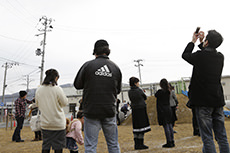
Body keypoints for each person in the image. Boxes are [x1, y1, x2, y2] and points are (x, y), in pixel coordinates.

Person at [182, 29, 230, 153]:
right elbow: (206, 56)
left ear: (207, 42)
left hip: (203, 101)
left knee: (207, 137)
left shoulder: (200, 56)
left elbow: (185, 55)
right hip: (217, 100)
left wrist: (193, 41)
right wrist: (203, 42)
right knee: (221, 136)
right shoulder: (220, 57)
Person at [74, 39, 122, 153]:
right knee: (113, 144)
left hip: (91, 111)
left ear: (95, 51)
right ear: (108, 51)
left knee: (90, 146)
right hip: (109, 110)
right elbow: (118, 90)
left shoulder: (88, 65)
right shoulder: (115, 68)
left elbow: (77, 85)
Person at [35, 69, 68, 153]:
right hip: (58, 123)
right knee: (58, 147)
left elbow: (37, 104)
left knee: (46, 146)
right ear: (56, 78)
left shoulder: (39, 89)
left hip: (45, 123)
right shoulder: (57, 89)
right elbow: (64, 103)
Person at [128, 77, 151, 150]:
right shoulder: (139, 90)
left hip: (134, 110)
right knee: (142, 127)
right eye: (138, 82)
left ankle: (136, 144)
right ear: (135, 83)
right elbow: (145, 97)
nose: (138, 84)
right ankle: (141, 144)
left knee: (136, 127)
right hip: (141, 109)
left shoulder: (129, 91)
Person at [155, 79, 175, 148]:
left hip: (163, 110)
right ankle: (172, 141)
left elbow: (156, 95)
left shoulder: (160, 92)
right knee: (170, 125)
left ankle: (169, 141)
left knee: (166, 126)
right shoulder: (168, 91)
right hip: (168, 109)